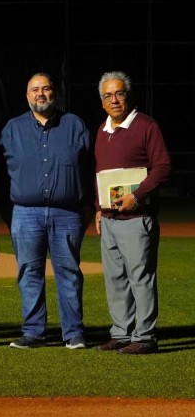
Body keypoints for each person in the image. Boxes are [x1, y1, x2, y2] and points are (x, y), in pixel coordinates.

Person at [0, 72, 93, 350]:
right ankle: (33, 332)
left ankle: (73, 332)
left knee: (69, 272)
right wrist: (9, 212)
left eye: (46, 88)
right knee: (29, 272)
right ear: (27, 96)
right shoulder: (12, 128)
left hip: (67, 212)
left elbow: (89, 167)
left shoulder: (75, 124)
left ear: (55, 93)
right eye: (35, 89)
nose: (41, 93)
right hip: (25, 213)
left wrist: (87, 207)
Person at [92, 71, 172, 355]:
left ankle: (146, 336)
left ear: (128, 95)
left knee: (141, 278)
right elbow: (100, 174)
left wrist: (136, 197)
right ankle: (121, 333)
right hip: (110, 219)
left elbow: (162, 167)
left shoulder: (146, 126)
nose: (114, 100)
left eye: (119, 93)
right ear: (102, 102)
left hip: (137, 219)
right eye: (108, 96)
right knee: (115, 279)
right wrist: (98, 209)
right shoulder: (102, 131)